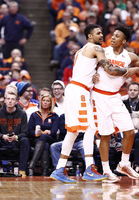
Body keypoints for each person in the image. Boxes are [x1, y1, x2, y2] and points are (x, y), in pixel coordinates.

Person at [50, 24, 127, 183]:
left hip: (75, 89)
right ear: (90, 36)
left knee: (74, 132)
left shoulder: (80, 51)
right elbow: (109, 68)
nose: (102, 35)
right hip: (80, 91)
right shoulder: (96, 48)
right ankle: (89, 168)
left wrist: (94, 76)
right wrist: (126, 70)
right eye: (98, 33)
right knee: (91, 128)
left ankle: (59, 168)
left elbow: (92, 69)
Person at [92, 24, 139, 182]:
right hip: (99, 96)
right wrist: (92, 76)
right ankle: (106, 170)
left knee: (130, 131)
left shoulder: (130, 56)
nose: (112, 37)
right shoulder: (103, 51)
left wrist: (134, 70)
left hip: (115, 96)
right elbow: (88, 66)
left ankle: (123, 164)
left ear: (124, 41)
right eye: (112, 35)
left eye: (117, 36)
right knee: (104, 135)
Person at [0, 93, 30, 177]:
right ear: (5, 101)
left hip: (16, 140)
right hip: (3, 139)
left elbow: (25, 132)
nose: (10, 101)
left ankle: (22, 170)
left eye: (12, 99)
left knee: (25, 140)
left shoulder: (22, 114)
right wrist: (2, 136)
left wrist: (16, 137)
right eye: (8, 99)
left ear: (16, 102)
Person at [28, 94, 59, 176]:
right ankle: (44, 171)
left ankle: (32, 165)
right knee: (45, 144)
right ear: (40, 102)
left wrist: (43, 133)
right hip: (36, 139)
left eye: (47, 101)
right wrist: (37, 134)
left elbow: (53, 132)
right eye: (43, 100)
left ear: (50, 103)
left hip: (50, 139)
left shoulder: (54, 116)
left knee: (44, 137)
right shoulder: (34, 115)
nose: (45, 102)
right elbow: (29, 131)